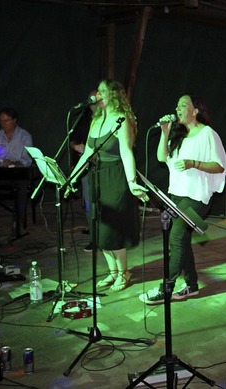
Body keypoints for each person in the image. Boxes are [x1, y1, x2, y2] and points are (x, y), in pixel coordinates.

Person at [140, 94, 226, 304]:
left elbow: (220, 166)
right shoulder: (178, 134)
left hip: (197, 197)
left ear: (194, 110)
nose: (177, 108)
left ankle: (166, 288)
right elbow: (162, 158)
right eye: (177, 105)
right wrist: (164, 133)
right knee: (182, 240)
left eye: (182, 105)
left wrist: (193, 163)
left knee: (176, 239)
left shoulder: (208, 134)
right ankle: (191, 284)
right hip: (176, 195)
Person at [69, 80, 149, 292]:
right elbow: (87, 153)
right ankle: (112, 273)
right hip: (97, 177)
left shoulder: (122, 119)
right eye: (98, 90)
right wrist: (72, 178)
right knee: (99, 228)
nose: (98, 94)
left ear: (113, 94)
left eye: (103, 91)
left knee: (113, 229)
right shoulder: (96, 120)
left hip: (116, 177)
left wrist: (132, 183)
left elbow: (126, 151)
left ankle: (124, 273)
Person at [0, 106, 34, 231]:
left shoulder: (24, 136)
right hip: (1, 173)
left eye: (7, 121)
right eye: (1, 121)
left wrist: (14, 162)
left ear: (14, 120)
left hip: (19, 173)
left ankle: (19, 222)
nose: (4, 124)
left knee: (21, 188)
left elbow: (27, 160)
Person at [69, 90, 97, 252]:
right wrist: (75, 146)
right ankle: (94, 237)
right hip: (87, 167)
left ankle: (105, 236)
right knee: (89, 204)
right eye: (92, 100)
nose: (94, 102)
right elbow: (72, 139)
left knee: (103, 204)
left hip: (105, 167)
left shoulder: (109, 118)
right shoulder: (83, 118)